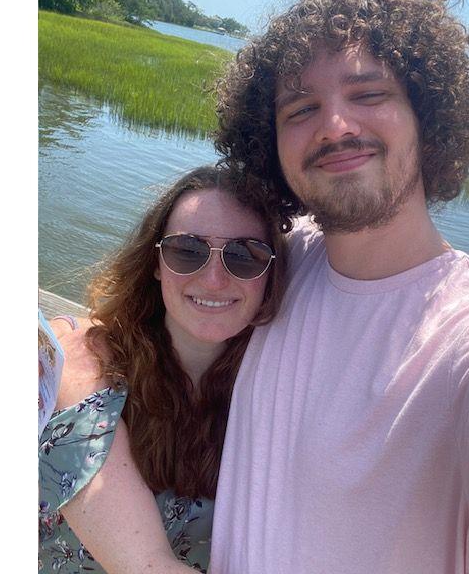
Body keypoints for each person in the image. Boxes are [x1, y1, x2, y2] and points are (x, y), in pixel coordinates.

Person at [209, 0, 469, 574]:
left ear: (428, 116)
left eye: (369, 95)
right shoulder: (269, 262)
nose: (334, 126)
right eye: (302, 108)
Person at [38, 165, 286, 574]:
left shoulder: (274, 397)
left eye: (244, 256)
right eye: (187, 250)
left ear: (269, 275)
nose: (214, 279)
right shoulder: (87, 365)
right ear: (156, 262)